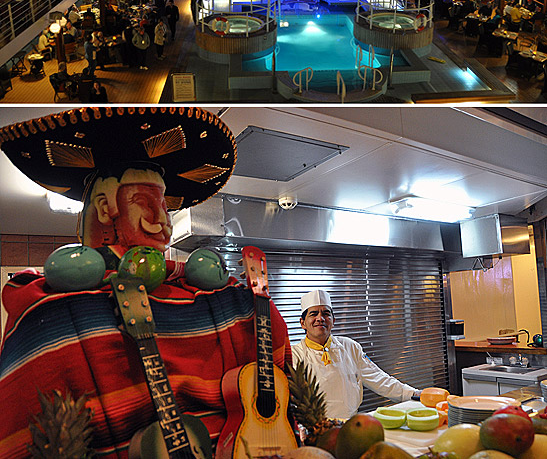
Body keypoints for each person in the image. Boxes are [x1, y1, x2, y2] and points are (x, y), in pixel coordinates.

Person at [0, 108, 291, 459]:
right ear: (106, 209)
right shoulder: (45, 312)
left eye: (165, 206)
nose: (163, 221)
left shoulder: (230, 295)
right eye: (144, 202)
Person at [292, 289, 421, 420]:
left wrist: (413, 393)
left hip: (351, 424)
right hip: (316, 429)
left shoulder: (350, 346)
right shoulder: (294, 355)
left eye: (326, 313)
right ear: (302, 323)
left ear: (333, 320)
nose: (320, 318)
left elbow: (379, 378)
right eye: (313, 314)